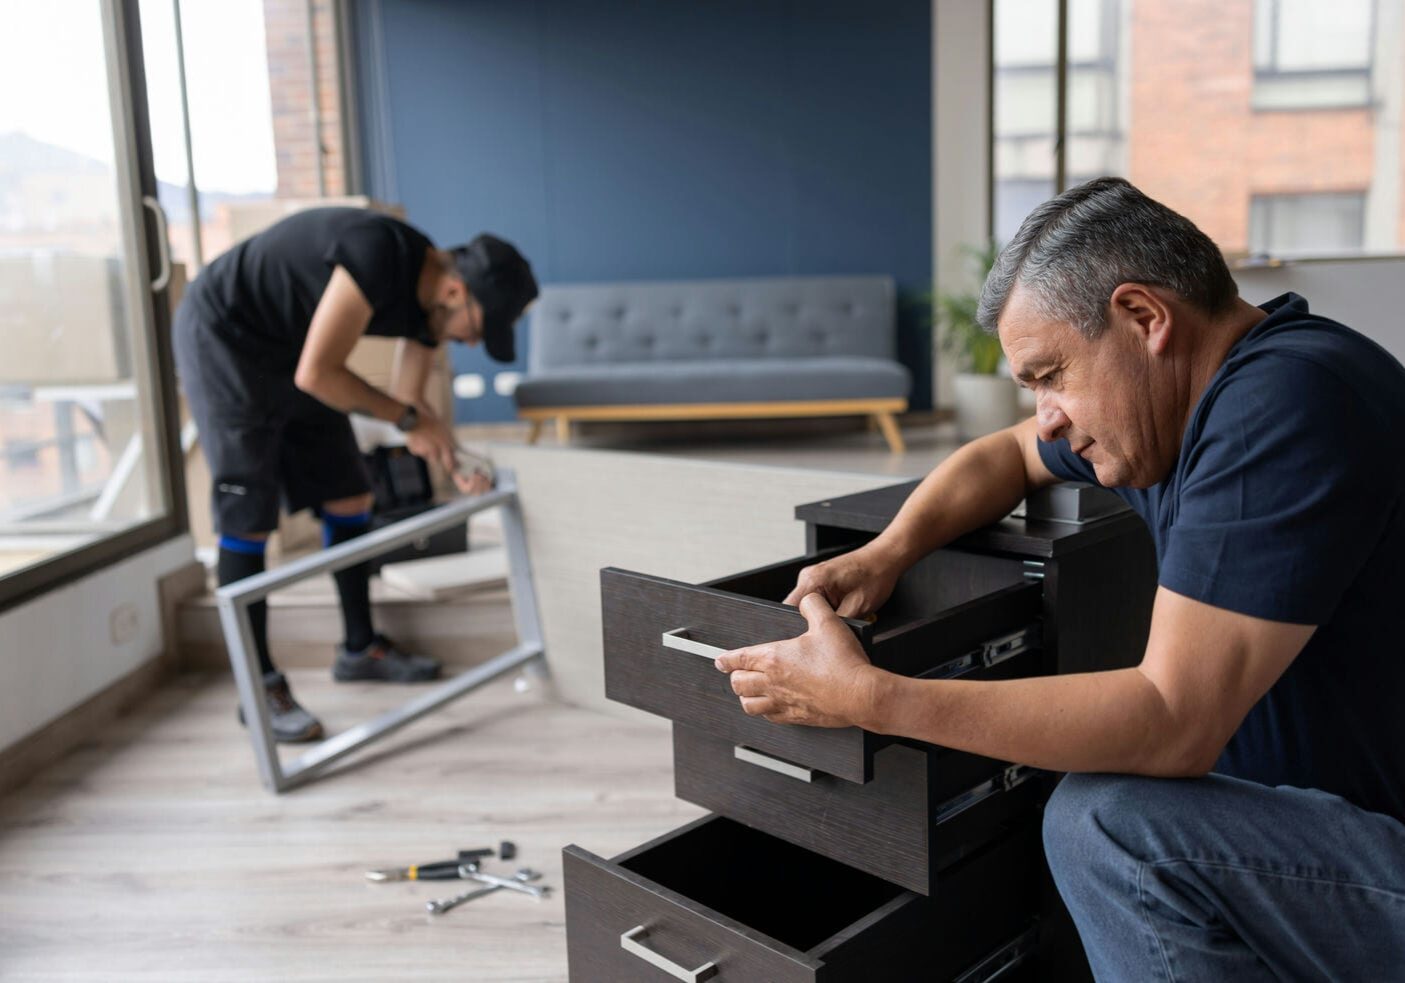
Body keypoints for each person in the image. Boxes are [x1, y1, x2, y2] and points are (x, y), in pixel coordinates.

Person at [714, 178, 1405, 979]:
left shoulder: (1285, 401)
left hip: (1381, 847)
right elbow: (1005, 455)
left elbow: (1169, 720)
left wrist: (870, 697)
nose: (1046, 414)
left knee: (1103, 823)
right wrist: (886, 551)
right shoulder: (1173, 401)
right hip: (1314, 824)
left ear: (1143, 319)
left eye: (1050, 374)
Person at [173, 207, 538, 743]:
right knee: (248, 509)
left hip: (295, 350)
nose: (472, 344)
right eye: (478, 330)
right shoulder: (377, 253)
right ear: (458, 293)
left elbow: (410, 410)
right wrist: (409, 419)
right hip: (224, 333)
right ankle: (260, 687)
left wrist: (455, 462)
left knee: (349, 493)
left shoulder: (428, 309)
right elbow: (322, 375)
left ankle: (359, 648)